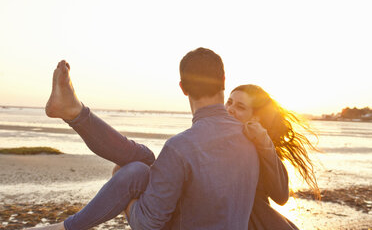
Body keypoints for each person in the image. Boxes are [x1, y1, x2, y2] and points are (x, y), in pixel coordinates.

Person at [27, 47, 260, 230]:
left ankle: (75, 114)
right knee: (142, 162)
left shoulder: (180, 148)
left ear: (183, 88)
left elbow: (148, 225)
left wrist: (124, 188)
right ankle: (74, 112)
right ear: (223, 79)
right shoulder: (253, 138)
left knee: (135, 169)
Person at [226, 84, 320, 229]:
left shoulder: (260, 149)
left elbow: (281, 196)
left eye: (240, 107)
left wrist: (264, 142)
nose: (230, 109)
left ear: (255, 118)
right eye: (229, 102)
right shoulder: (214, 140)